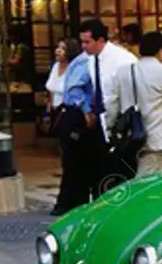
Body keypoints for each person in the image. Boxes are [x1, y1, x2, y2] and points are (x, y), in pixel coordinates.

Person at [106, 32, 162, 177]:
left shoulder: (124, 71)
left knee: (128, 178)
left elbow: (112, 104)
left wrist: (110, 128)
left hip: (129, 137)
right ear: (160, 51)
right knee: (147, 183)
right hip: (155, 138)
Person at [79, 19, 138, 187]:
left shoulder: (123, 60)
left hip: (122, 126)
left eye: (87, 42)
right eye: (82, 42)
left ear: (100, 40)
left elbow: (126, 97)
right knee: (100, 172)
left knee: (120, 174)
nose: (83, 46)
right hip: (100, 122)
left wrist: (115, 124)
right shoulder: (92, 59)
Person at [54, 31, 98, 211]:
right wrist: (87, 111)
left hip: (72, 114)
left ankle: (71, 201)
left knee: (74, 161)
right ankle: (71, 203)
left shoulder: (81, 60)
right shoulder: (86, 61)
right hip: (76, 116)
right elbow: (74, 89)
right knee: (77, 161)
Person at [45, 38, 80, 215]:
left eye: (62, 48)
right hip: (56, 112)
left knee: (69, 156)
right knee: (63, 152)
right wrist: (49, 110)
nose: (58, 51)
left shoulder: (75, 68)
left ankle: (69, 198)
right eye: (57, 47)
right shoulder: (54, 67)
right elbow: (51, 89)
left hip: (68, 112)